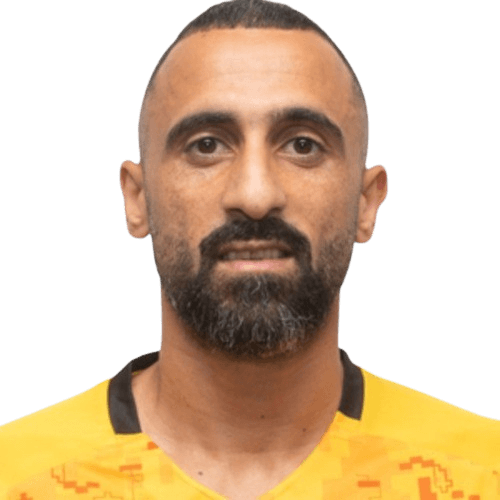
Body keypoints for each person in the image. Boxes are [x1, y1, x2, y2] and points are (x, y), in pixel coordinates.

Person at [1, 0, 499, 498]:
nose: (256, 195)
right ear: (137, 199)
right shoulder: (15, 475)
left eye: (302, 145)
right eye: (207, 145)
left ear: (366, 203)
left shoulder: (483, 473)